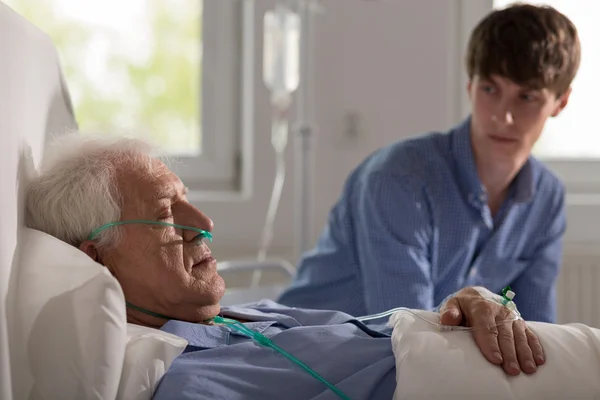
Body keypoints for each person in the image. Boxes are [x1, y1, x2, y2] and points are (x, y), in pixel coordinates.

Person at [25, 135, 544, 399]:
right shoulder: (195, 385)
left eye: (188, 202)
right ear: (98, 260)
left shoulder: (245, 322)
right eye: (165, 214)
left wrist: (465, 302)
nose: (202, 223)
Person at [278, 3, 581, 323]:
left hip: (405, 367)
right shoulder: (397, 179)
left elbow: (535, 332)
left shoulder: (547, 199)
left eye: (527, 97)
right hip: (307, 358)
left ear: (560, 102)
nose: (502, 116)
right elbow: (409, 335)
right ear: (470, 86)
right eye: (490, 89)